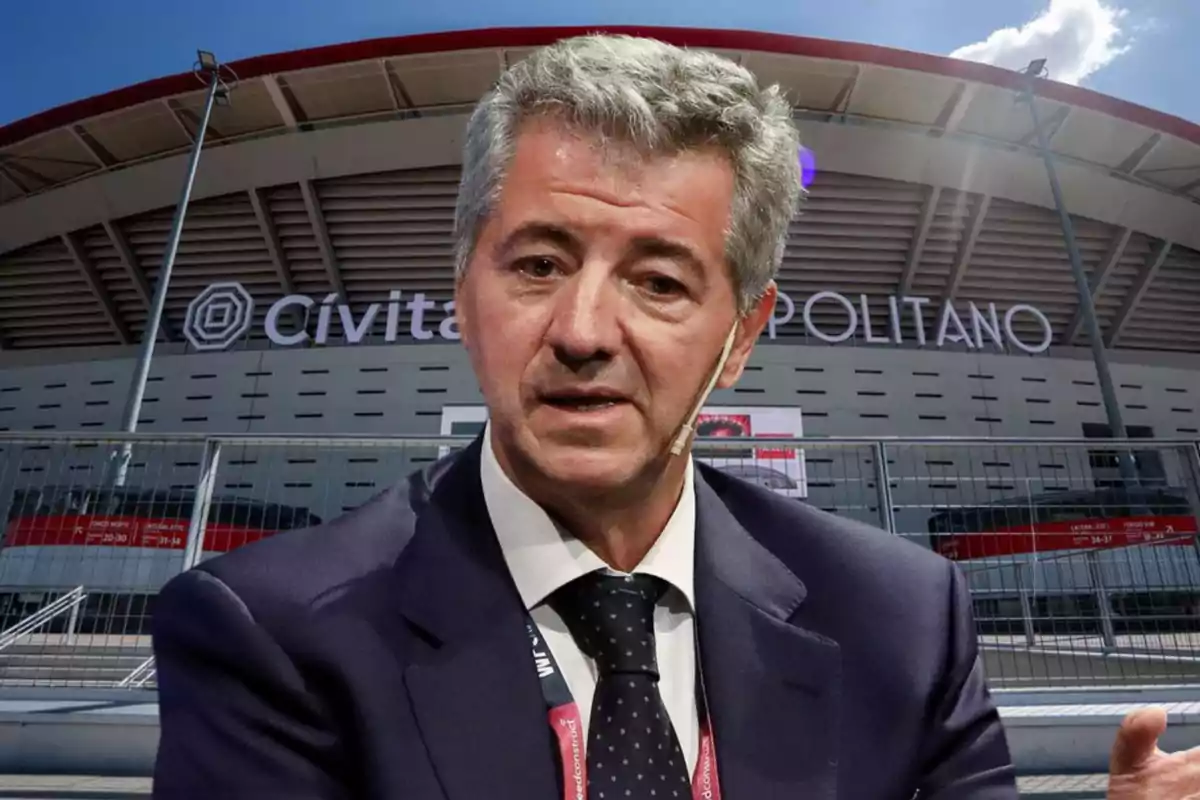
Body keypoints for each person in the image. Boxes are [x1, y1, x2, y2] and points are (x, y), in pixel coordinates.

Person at [150, 33, 1200, 800]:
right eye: (539, 263)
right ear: (464, 292)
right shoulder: (269, 633)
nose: (582, 329)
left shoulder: (905, 616)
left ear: (742, 336)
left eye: (658, 280)